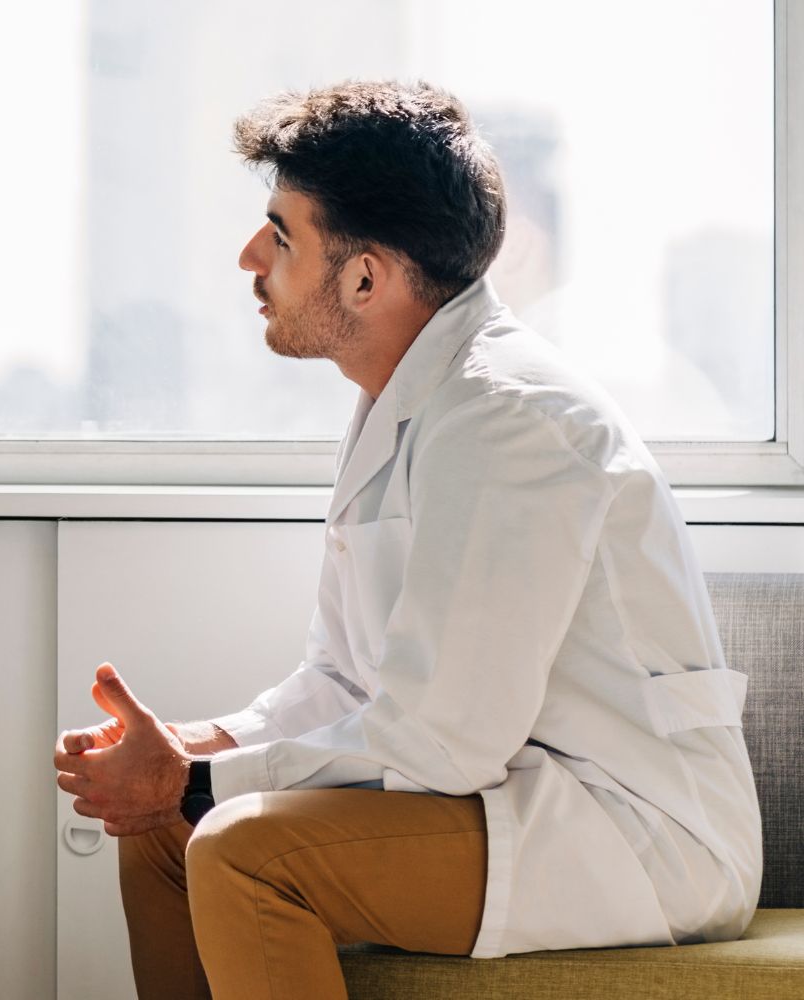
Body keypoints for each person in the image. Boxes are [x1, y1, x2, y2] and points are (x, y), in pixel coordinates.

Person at [54, 80, 762, 1000]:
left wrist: (194, 781)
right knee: (159, 836)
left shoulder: (509, 420)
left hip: (637, 833)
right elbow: (346, 679)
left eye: (280, 234)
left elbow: (442, 743)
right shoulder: (404, 398)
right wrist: (201, 745)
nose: (247, 256)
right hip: (507, 793)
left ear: (364, 276)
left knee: (236, 846)